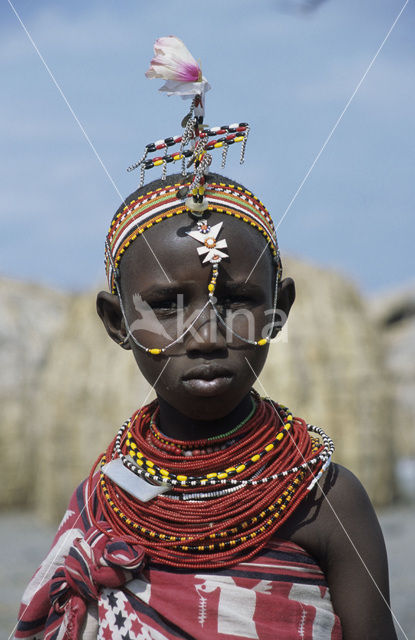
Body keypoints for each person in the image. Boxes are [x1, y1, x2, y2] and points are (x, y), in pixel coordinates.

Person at [14, 37, 397, 640]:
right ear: (118, 325)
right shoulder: (102, 500)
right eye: (166, 306)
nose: (207, 335)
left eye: (239, 301)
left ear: (279, 308)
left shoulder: (325, 500)